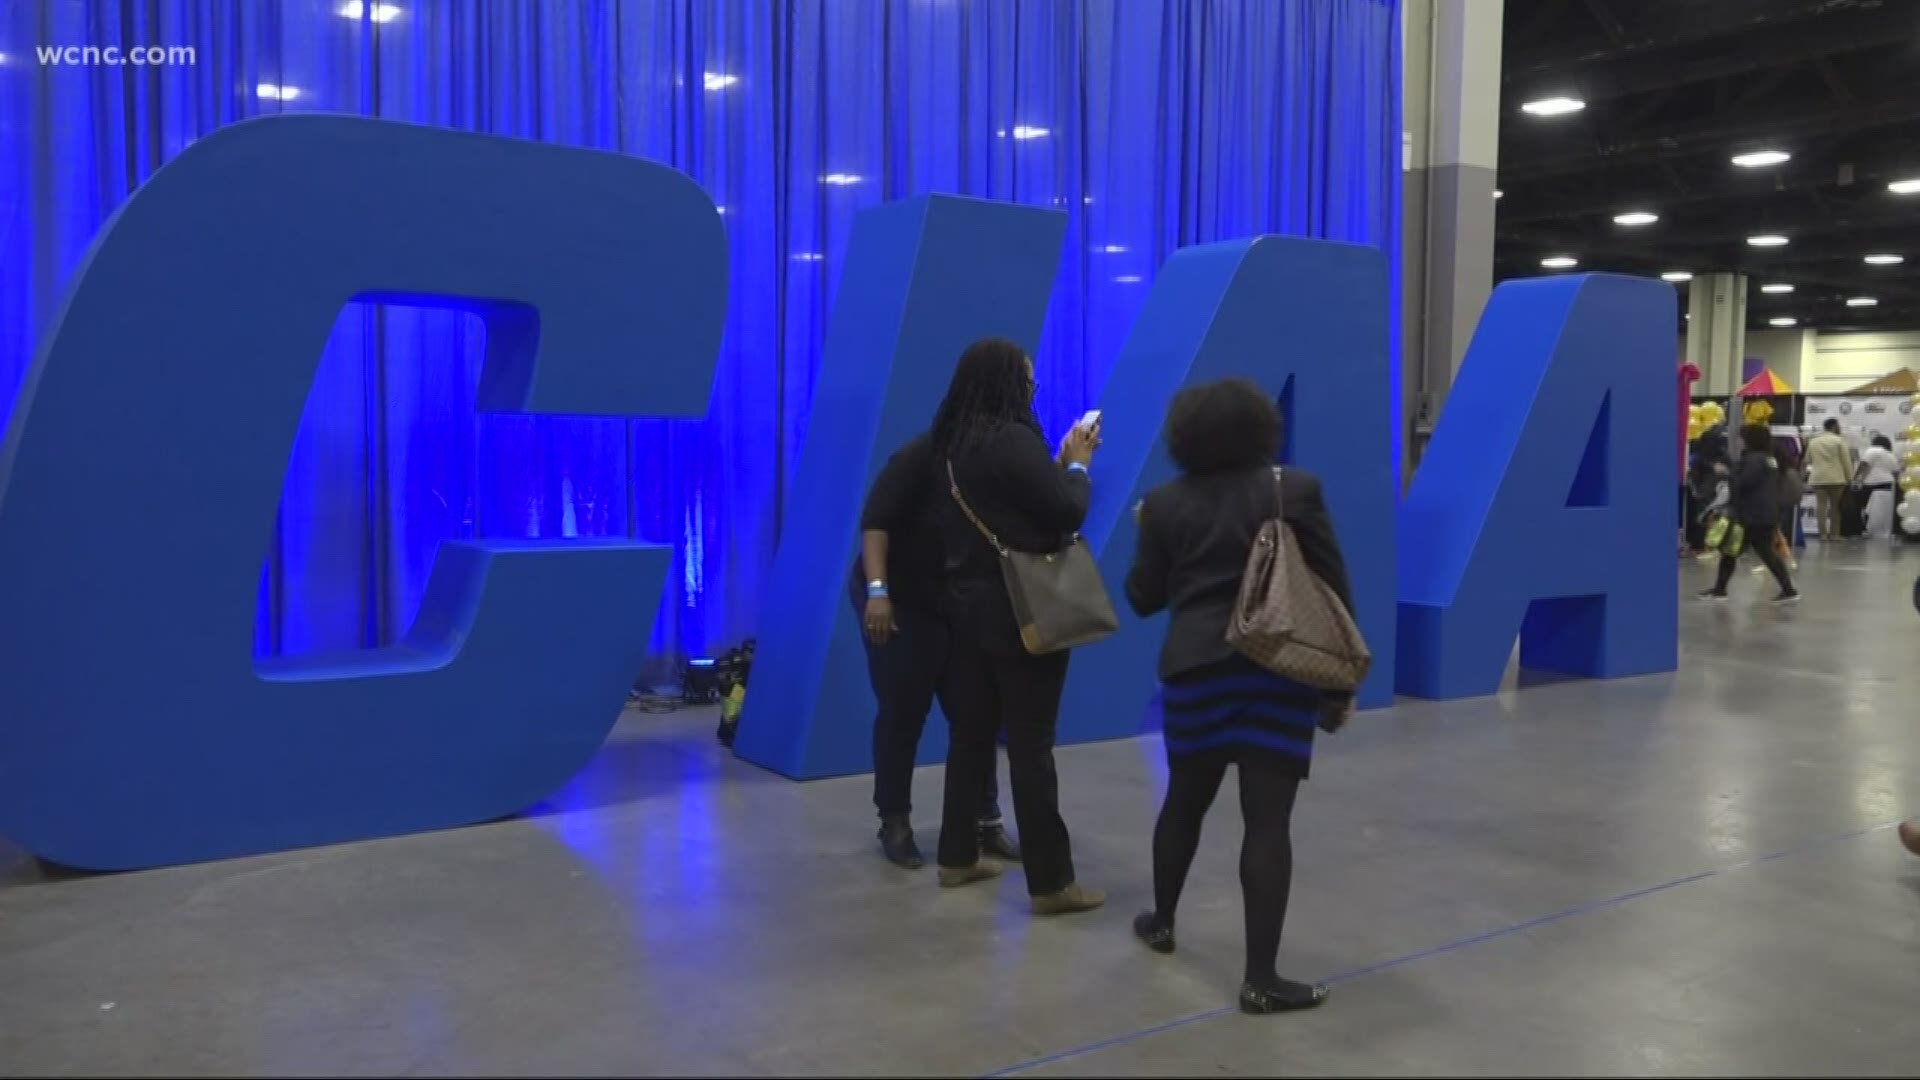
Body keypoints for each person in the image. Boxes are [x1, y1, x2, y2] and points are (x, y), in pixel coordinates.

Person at [1124, 378, 1353, 1015]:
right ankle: (1261, 979)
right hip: (1277, 672)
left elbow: (1143, 599)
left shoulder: (1164, 505)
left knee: (1183, 806)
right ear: (1262, 428)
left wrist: (1150, 532)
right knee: (1268, 823)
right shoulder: (1294, 490)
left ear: (1183, 435)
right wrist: (1339, 683)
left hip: (1195, 673)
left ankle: (1163, 922)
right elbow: (1331, 589)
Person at [929, 337, 1104, 915]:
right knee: (1032, 746)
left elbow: (1012, 504)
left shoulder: (954, 443)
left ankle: (956, 856)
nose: (1032, 391)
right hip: (1023, 613)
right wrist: (1077, 466)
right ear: (1009, 383)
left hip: (967, 613)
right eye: (1028, 382)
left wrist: (1053, 470)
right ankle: (1051, 882)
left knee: (970, 738)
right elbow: (1065, 509)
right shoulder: (1011, 437)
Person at [853, 434, 1019, 869]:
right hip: (900, 598)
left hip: (956, 599)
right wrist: (877, 591)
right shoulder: (920, 455)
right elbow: (876, 522)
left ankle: (985, 819)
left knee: (975, 710)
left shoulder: (1001, 462)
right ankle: (894, 820)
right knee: (903, 709)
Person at [1699, 424, 1799, 603]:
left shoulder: (1753, 460)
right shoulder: (1769, 459)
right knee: (1755, 552)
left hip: (1751, 514)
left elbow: (1743, 483)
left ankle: (1720, 590)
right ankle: (1788, 590)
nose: (1740, 442)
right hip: (1764, 512)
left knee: (1736, 551)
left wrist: (1727, 473)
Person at [1805, 419, 1853, 541]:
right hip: (1836, 478)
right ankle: (1834, 534)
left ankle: (1822, 534)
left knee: (1821, 506)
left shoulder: (1813, 441)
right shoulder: (1839, 441)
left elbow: (1808, 460)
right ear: (1834, 426)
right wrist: (1850, 478)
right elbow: (1846, 461)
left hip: (1818, 477)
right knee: (1835, 507)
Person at [1761, 439, 1802, 573]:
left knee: (1774, 535)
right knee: (1780, 534)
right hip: (1786, 504)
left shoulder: (1772, 470)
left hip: (1773, 505)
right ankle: (1786, 560)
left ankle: (1781, 561)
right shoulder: (1789, 469)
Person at [1856, 434, 1900, 539]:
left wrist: (1856, 478)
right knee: (1883, 509)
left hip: (1872, 483)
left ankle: (1864, 529)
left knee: (1864, 507)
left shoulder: (1872, 450)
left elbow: (1863, 464)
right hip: (1889, 484)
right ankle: (1881, 529)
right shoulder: (1891, 455)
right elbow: (1895, 472)